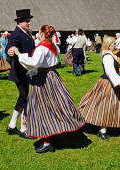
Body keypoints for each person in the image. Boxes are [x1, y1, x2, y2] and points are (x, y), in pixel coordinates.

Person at [10, 25, 85, 153]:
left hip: (43, 79)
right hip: (53, 76)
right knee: (54, 107)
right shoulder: (53, 46)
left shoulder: (42, 48)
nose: (38, 34)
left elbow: (33, 63)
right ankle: (52, 135)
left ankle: (47, 141)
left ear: (43, 34)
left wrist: (18, 53)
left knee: (43, 109)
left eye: (39, 32)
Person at [79, 36, 120, 140]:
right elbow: (110, 72)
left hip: (111, 82)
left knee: (111, 106)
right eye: (114, 43)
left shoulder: (111, 55)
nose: (116, 45)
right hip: (108, 84)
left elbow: (114, 71)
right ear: (109, 44)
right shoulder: (107, 56)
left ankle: (107, 126)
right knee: (105, 106)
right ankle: (102, 130)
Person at [5, 9, 35, 138]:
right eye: (27, 21)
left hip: (26, 71)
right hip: (20, 72)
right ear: (20, 22)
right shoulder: (16, 34)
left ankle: (11, 126)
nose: (29, 23)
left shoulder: (26, 33)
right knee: (26, 98)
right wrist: (10, 50)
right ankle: (23, 128)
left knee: (23, 98)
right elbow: (11, 45)